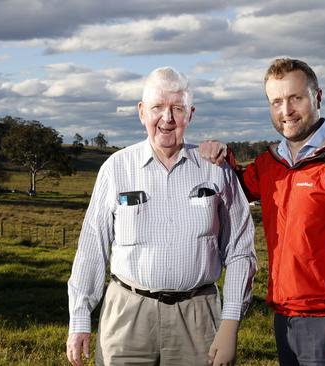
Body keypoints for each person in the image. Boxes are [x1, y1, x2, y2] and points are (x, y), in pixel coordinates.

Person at [199, 58, 325, 366]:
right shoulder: (270, 163)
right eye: (276, 101)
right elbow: (237, 189)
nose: (286, 111)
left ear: (317, 97)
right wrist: (219, 157)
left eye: (295, 98)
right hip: (285, 319)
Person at [67, 66, 257, 366]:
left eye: (177, 108)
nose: (167, 119)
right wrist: (79, 317)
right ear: (142, 112)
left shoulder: (216, 170)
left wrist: (230, 321)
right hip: (126, 315)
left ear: (190, 114)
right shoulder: (116, 168)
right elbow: (92, 247)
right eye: (157, 107)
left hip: (199, 317)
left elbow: (240, 252)